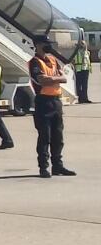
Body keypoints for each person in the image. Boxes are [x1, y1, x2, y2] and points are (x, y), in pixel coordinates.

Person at [29, 37, 73, 178]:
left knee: (58, 137)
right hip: (43, 102)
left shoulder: (53, 60)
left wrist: (53, 80)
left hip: (56, 101)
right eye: (46, 44)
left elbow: (64, 78)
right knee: (44, 137)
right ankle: (43, 167)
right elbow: (42, 80)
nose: (49, 46)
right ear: (38, 45)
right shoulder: (35, 62)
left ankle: (58, 166)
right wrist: (56, 79)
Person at [70, 39, 91, 104]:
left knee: (85, 85)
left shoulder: (87, 52)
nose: (83, 45)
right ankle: (80, 99)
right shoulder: (76, 52)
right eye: (81, 44)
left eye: (83, 44)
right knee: (79, 85)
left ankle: (85, 98)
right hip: (78, 70)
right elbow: (72, 61)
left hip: (85, 69)